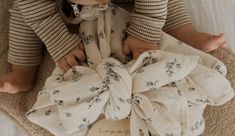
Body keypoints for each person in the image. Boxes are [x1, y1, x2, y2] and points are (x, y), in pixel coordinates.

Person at [0, 0, 227, 94]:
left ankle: (186, 34)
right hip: (61, 5)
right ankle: (23, 70)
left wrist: (144, 31)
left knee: (165, 2)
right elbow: (35, 8)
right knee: (23, 13)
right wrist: (59, 41)